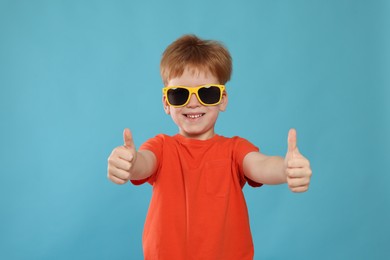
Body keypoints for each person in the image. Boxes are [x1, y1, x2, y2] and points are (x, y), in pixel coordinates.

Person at [107, 34, 312, 260]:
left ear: (222, 99)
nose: (193, 102)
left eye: (207, 93)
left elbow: (260, 165)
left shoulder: (234, 150)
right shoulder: (162, 147)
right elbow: (143, 163)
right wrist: (129, 162)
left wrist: (286, 169)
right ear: (167, 103)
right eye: (180, 94)